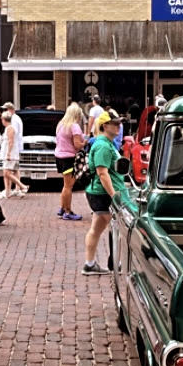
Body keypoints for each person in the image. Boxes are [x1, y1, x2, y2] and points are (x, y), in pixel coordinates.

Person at [82, 112, 126, 274]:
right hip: (102, 194)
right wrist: (114, 195)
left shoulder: (107, 144)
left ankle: (93, 263)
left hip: (101, 193)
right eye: (114, 124)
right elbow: (102, 173)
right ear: (104, 126)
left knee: (100, 228)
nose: (118, 126)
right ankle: (110, 262)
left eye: (119, 123)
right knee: (113, 227)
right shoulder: (103, 145)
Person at [54, 102, 86, 221]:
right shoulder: (74, 126)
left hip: (59, 156)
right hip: (69, 158)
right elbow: (77, 145)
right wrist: (86, 143)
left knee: (65, 185)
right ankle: (67, 211)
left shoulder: (60, 124)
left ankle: (62, 207)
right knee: (69, 186)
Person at [0, 110, 28, 198]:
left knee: (7, 173)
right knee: (6, 172)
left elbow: (11, 142)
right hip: (9, 153)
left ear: (4, 120)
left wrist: (8, 154)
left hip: (10, 154)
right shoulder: (8, 128)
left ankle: (22, 186)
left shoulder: (10, 128)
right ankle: (8, 192)